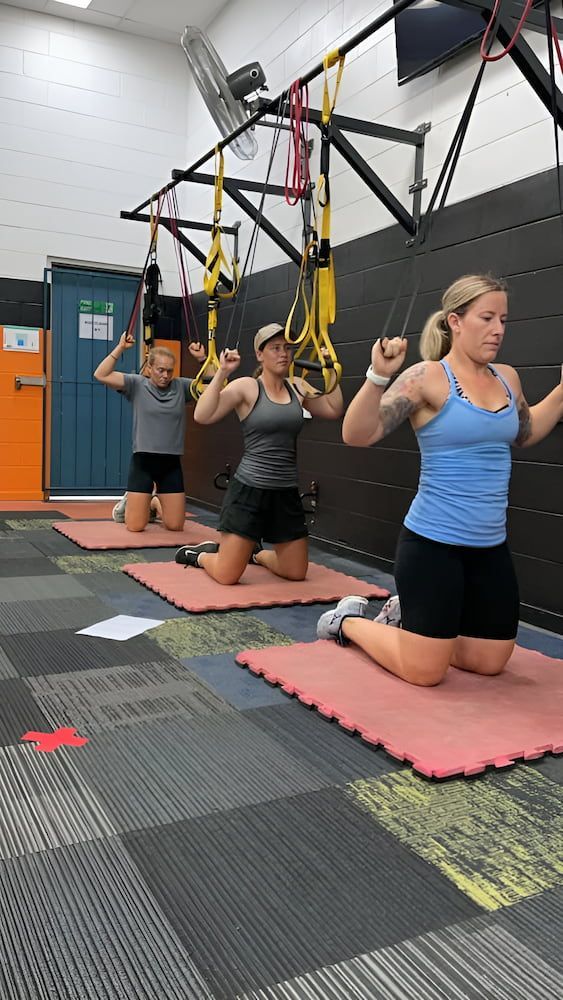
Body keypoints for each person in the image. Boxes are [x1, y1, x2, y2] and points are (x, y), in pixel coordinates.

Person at [317, 274, 563, 686]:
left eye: (503, 319)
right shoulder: (427, 377)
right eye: (487, 317)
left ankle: (413, 621)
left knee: (490, 661)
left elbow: (525, 433)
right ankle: (347, 622)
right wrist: (378, 377)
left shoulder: (507, 378)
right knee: (425, 671)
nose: (498, 329)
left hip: (490, 548)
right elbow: (357, 434)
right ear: (455, 321)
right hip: (433, 544)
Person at [174, 322, 344, 584]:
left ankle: (256, 555)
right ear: (260, 355)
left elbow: (334, 409)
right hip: (249, 490)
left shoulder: (298, 387)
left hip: (285, 491)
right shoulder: (247, 387)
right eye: (275, 348)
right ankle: (200, 556)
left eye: (287, 348)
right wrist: (222, 372)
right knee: (227, 575)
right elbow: (202, 415)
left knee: (296, 572)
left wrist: (330, 368)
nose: (283, 353)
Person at [94, 332, 206, 532]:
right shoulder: (136, 384)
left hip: (170, 464)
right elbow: (100, 374)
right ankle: (136, 502)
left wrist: (202, 360)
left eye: (169, 371)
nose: (165, 376)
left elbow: (214, 388)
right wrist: (120, 348)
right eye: (161, 370)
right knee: (135, 527)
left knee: (175, 526)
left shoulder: (181, 386)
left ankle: (153, 502)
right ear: (149, 368)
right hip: (143, 462)